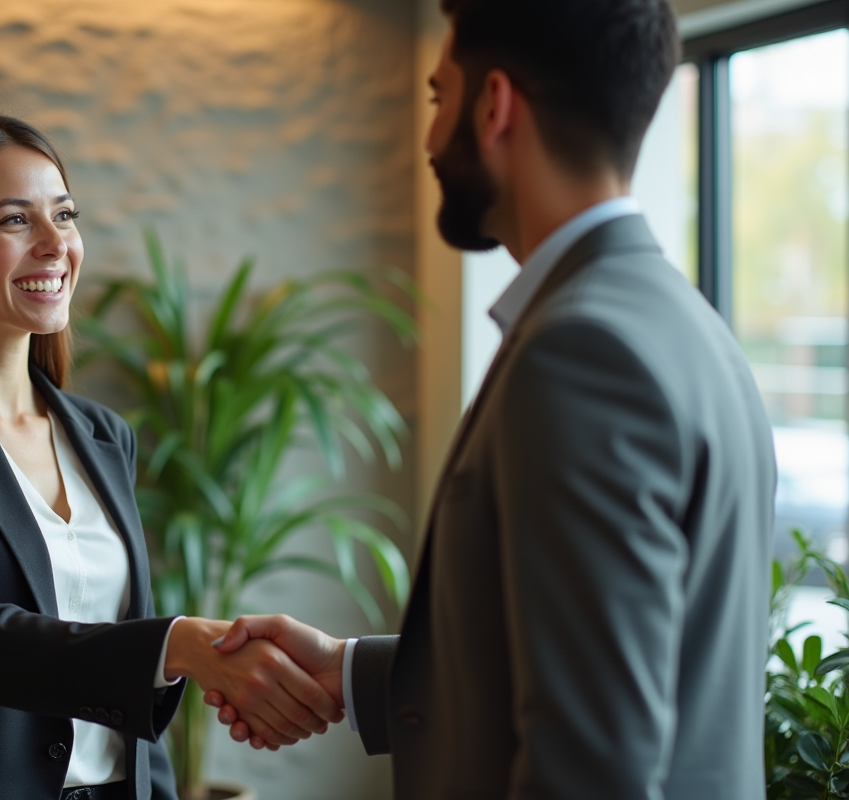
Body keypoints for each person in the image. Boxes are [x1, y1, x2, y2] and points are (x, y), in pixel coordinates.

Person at [204, 1, 776, 798]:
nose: (430, 138)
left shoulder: (581, 355)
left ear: (495, 106)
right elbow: (607, 665)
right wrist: (350, 671)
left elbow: (591, 766)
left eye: (439, 98)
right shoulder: (688, 327)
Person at [0, 111, 342, 800]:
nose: (56, 244)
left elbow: (128, 702)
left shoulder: (103, 435)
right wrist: (179, 645)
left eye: (64, 215)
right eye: (14, 220)